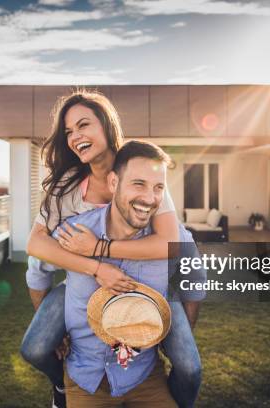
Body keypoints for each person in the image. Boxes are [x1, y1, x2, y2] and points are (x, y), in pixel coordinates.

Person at [20, 90, 202, 407]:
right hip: (82, 279)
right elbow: (36, 245)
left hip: (146, 281)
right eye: (69, 132)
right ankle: (62, 387)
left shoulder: (140, 170)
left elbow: (171, 245)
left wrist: (101, 247)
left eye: (84, 125)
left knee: (188, 366)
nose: (75, 137)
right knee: (36, 347)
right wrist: (97, 267)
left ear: (106, 125)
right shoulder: (67, 192)